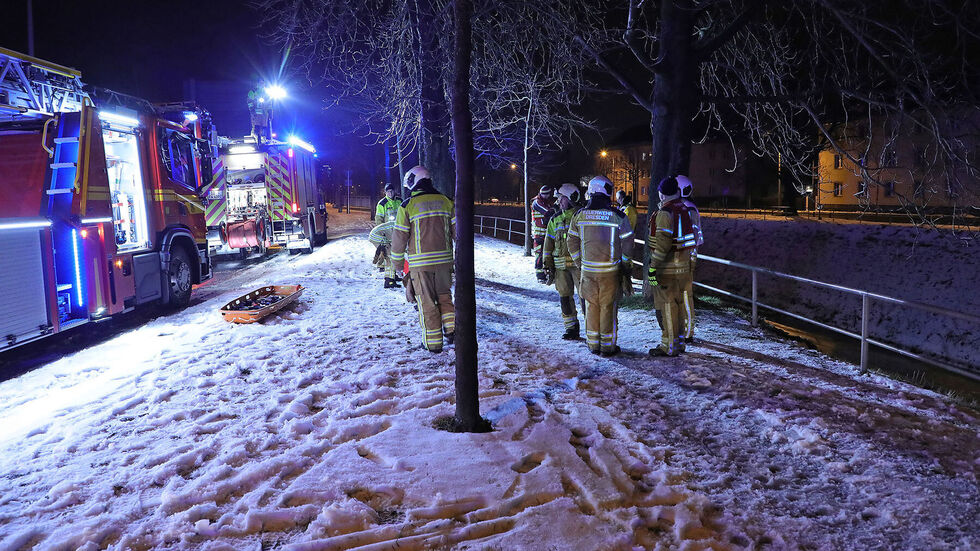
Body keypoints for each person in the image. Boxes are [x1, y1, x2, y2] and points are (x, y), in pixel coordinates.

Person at [391, 166, 456, 353]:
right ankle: (452, 331)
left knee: (427, 302)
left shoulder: (407, 205)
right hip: (445, 263)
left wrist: (397, 265)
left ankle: (433, 343)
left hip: (421, 265)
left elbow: (399, 238)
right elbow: (457, 233)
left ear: (415, 181)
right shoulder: (446, 202)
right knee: (445, 297)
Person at [567, 176, 634, 356]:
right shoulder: (618, 216)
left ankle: (593, 345)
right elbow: (628, 243)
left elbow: (571, 242)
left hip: (587, 272)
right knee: (608, 308)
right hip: (610, 273)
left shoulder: (579, 215)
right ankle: (607, 347)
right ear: (606, 191)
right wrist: (626, 264)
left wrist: (580, 263)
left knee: (590, 306)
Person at [647, 177, 698, 356]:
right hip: (683, 268)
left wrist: (653, 267)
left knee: (668, 306)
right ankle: (680, 342)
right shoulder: (684, 209)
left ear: (661, 193)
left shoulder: (665, 213)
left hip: (667, 270)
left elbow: (662, 246)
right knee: (679, 307)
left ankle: (668, 346)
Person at [542, 184, 584, 340]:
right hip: (560, 268)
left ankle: (592, 329)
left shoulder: (580, 216)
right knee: (565, 299)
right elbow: (548, 243)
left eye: (561, 198)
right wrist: (547, 264)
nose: (558, 201)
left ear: (570, 199)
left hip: (579, 267)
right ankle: (571, 328)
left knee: (585, 298)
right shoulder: (555, 219)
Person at [676, 175, 704, 342]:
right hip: (685, 257)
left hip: (687, 258)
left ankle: (688, 332)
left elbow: (691, 238)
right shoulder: (687, 207)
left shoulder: (688, 208)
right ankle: (684, 328)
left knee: (686, 294)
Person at [373, 183, 402, 284]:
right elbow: (379, 218)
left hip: (399, 231)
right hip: (388, 232)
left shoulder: (399, 201)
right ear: (385, 192)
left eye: (391, 191)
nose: (390, 193)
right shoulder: (382, 203)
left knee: (397, 253)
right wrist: (382, 231)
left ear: (394, 191)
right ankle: (389, 276)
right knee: (389, 254)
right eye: (388, 191)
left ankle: (394, 275)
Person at [531, 185, 557, 283]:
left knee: (547, 254)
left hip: (546, 233)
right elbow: (548, 212)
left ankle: (547, 273)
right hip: (539, 234)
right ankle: (540, 275)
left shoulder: (546, 202)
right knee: (539, 254)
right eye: (545, 194)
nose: (546, 196)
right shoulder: (536, 202)